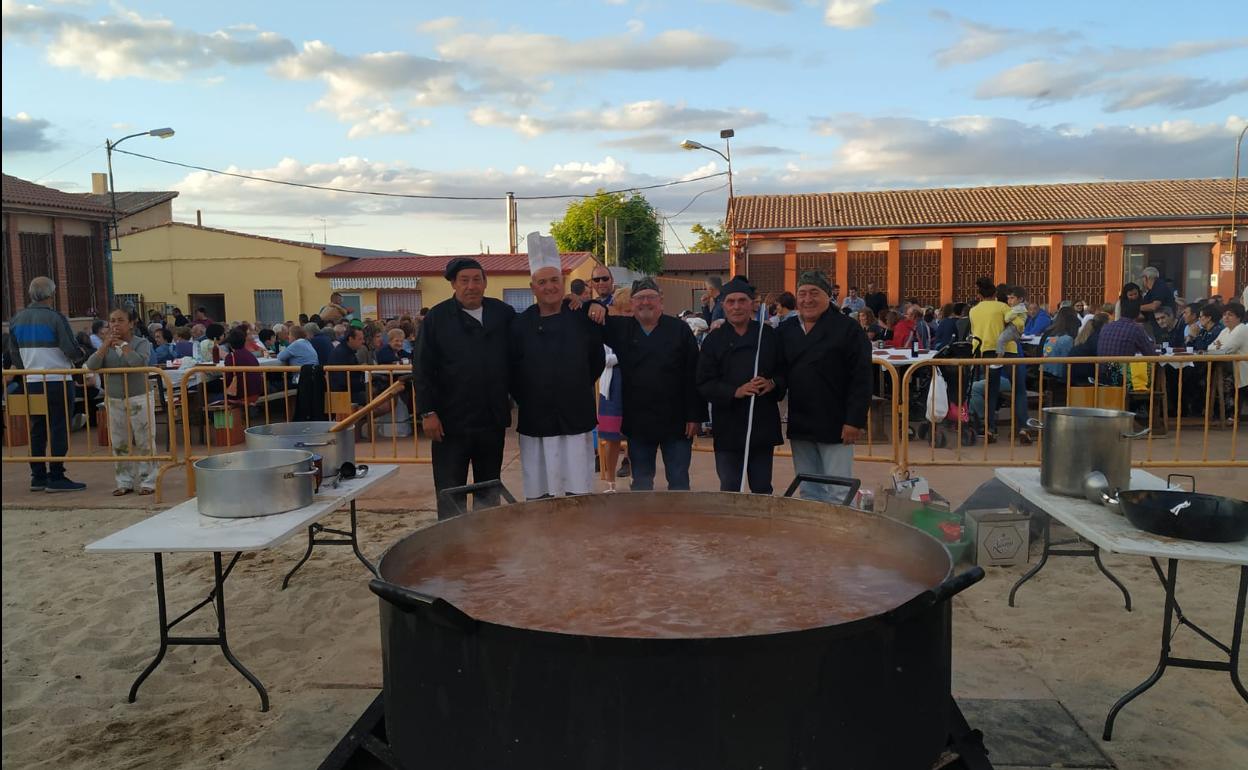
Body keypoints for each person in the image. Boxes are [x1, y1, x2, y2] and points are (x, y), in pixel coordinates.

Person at [415, 258, 516, 519]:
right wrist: (427, 412)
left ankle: (486, 539)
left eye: (477, 279)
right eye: (464, 280)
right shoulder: (436, 318)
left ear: (485, 282)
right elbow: (423, 369)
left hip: (491, 419)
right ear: (453, 284)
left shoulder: (502, 313)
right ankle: (452, 545)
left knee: (489, 486)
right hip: (450, 422)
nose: (471, 286)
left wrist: (575, 303)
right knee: (451, 489)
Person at [510, 238, 606, 500]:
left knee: (578, 488)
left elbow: (595, 360)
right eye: (542, 282)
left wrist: (574, 385)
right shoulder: (519, 325)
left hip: (576, 413)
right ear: (532, 288)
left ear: (562, 283)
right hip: (536, 418)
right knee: (540, 489)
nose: (549, 286)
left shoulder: (583, 316)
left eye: (554, 280)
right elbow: (512, 370)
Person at [593, 278, 704, 492]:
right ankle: (643, 523)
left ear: (660, 300)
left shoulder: (679, 329)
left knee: (679, 479)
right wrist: (593, 304)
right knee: (642, 482)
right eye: (640, 298)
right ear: (632, 303)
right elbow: (591, 319)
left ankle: (679, 522)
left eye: (651, 297)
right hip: (639, 421)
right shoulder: (622, 328)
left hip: (677, 420)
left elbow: (694, 373)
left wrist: (695, 416)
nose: (646, 303)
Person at [777, 271, 871, 503]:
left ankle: (841, 538)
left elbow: (862, 377)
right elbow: (775, 368)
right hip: (801, 420)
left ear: (828, 296)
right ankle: (814, 537)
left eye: (814, 293)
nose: (807, 299)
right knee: (809, 488)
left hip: (837, 421)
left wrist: (854, 420)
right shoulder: (786, 330)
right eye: (802, 294)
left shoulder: (848, 329)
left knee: (839, 490)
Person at [696, 278, 786, 494]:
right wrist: (735, 391)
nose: (736, 307)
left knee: (762, 487)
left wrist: (772, 383)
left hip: (761, 422)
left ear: (751, 304)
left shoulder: (768, 336)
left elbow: (785, 371)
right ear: (723, 306)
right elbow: (704, 382)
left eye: (742, 301)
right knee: (729, 487)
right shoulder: (713, 340)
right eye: (731, 302)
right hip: (728, 425)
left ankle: (761, 527)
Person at [4, 277, 87, 492]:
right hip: (57, 379)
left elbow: (14, 354)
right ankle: (57, 475)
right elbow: (70, 349)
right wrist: (81, 356)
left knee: (37, 428)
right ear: (52, 294)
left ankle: (38, 476)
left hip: (32, 380)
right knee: (59, 426)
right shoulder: (55, 318)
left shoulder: (17, 319)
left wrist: (27, 369)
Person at [85, 308, 157, 495]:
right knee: (119, 441)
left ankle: (148, 481)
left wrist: (123, 345)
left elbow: (138, 363)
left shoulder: (142, 343)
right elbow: (91, 365)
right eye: (112, 320)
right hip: (115, 397)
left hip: (138, 395)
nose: (115, 324)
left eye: (120, 320)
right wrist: (104, 346)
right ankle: (124, 481)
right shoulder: (105, 345)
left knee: (144, 439)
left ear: (131, 323)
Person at [968, 276, 1017, 441]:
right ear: (995, 293)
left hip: (985, 351)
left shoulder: (973, 311)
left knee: (990, 389)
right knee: (1017, 387)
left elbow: (976, 332)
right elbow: (1015, 324)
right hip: (1005, 351)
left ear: (979, 295)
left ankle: (989, 427)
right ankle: (1019, 426)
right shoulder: (1003, 307)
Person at [596, 287, 630, 490]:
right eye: (625, 310)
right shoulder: (606, 327)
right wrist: (624, 357)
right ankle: (610, 481)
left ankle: (635, 474)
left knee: (635, 435)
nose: (629, 315)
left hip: (633, 384)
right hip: (613, 386)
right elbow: (602, 357)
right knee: (611, 437)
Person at [1207, 303, 1248, 416]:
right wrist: (1219, 347)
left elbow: (1227, 350)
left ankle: (1231, 415)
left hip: (1243, 368)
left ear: (1239, 317)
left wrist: (1219, 346)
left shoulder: (1241, 329)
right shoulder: (1225, 331)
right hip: (1231, 367)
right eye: (1224, 314)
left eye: (1230, 315)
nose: (1226, 317)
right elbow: (1209, 347)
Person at [219, 327, 263, 403]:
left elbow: (228, 379)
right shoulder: (251, 355)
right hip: (256, 393)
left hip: (241, 395)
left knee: (214, 397)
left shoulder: (231, 357)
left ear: (230, 344)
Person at [1040, 307, 1081, 382]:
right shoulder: (1067, 339)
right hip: (1058, 374)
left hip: (1046, 370)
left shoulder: (1051, 335)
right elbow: (1067, 361)